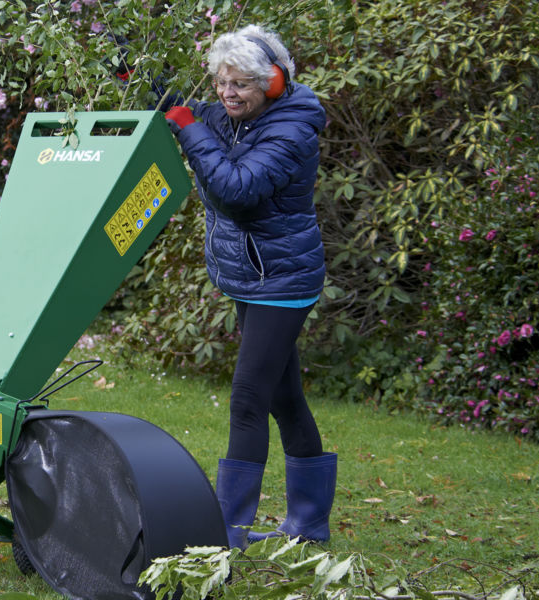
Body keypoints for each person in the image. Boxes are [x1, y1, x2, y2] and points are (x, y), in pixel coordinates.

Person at [162, 25, 337, 549]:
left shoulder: (293, 127)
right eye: (221, 82)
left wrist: (189, 130)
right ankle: (308, 525)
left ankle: (226, 532)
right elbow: (174, 103)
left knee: (247, 399)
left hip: (283, 280)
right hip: (251, 276)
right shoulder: (233, 115)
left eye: (240, 84)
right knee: (284, 397)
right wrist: (128, 61)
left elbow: (238, 190)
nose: (226, 93)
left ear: (274, 83)